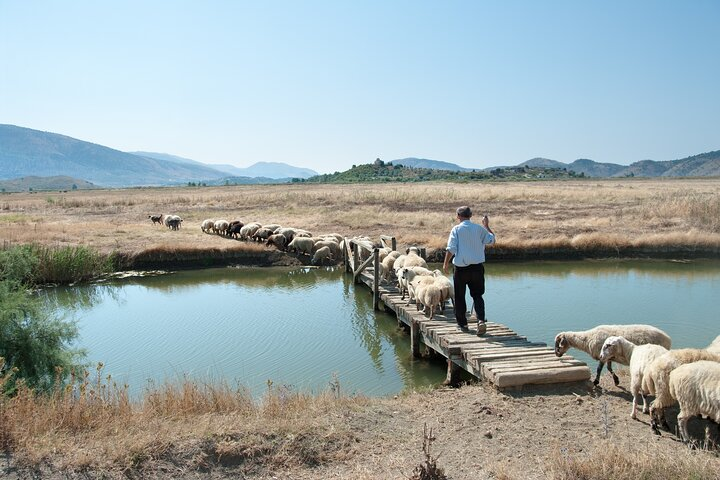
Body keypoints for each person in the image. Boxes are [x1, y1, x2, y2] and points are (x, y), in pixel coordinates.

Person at [443, 206, 495, 335]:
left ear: (458, 216)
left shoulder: (456, 229)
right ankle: (481, 320)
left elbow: (451, 249)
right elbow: (492, 240)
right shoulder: (479, 229)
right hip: (477, 268)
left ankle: (463, 324)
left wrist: (445, 264)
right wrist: (486, 226)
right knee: (478, 295)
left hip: (461, 270)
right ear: (471, 215)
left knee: (460, 297)